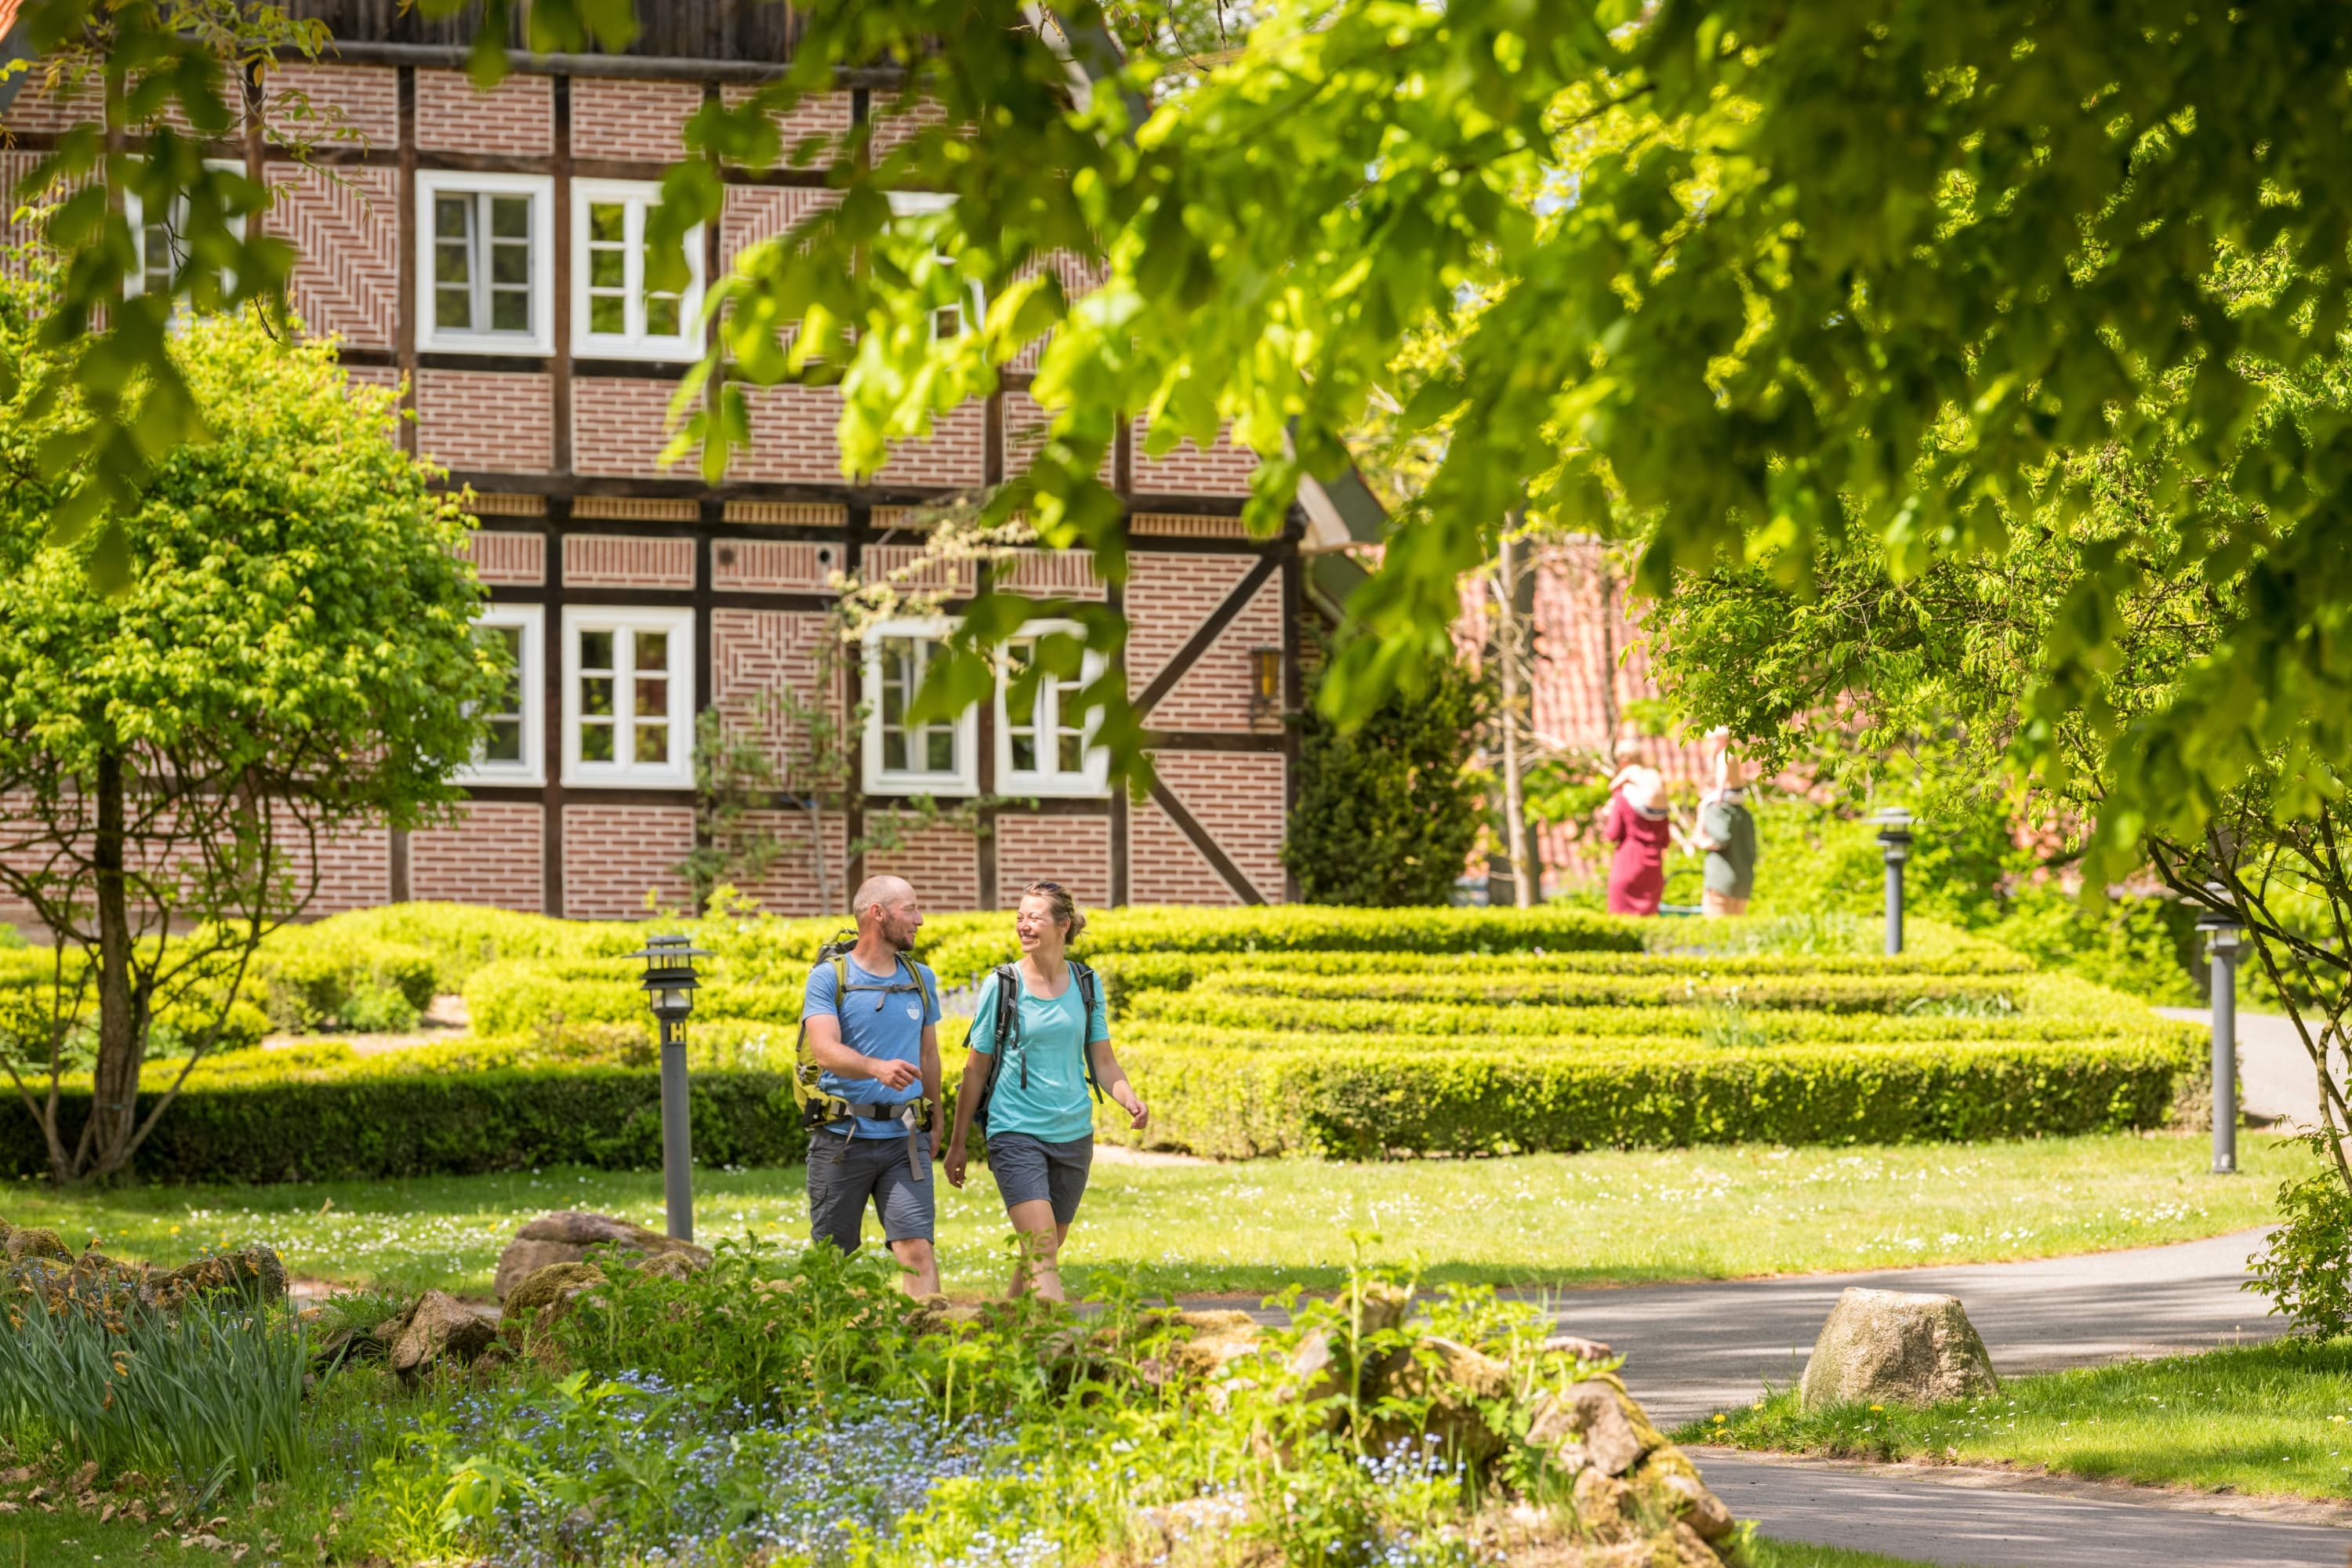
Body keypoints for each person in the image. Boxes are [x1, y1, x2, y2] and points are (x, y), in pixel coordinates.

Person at [944, 881, 1148, 1302]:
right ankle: (1058, 1350)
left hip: (1073, 1134)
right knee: (1041, 1254)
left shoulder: (1086, 984)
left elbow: (1104, 1062)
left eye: (1034, 917)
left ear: (1063, 925)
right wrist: (958, 1143)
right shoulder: (1002, 985)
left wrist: (1128, 1097)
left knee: (1045, 1251)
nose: (1024, 925)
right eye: (1020, 916)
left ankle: (1005, 1333)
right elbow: (975, 1069)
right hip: (1015, 1131)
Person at [798, 875, 945, 1295]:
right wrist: (876, 1068)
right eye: (909, 909)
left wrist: (935, 1114)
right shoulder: (828, 978)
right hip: (841, 1140)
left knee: (917, 1249)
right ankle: (829, 1350)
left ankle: (928, 1348)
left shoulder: (921, 978)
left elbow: (929, 1054)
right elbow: (825, 1051)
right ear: (877, 914)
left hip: (905, 1140)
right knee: (832, 1258)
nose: (919, 919)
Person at [1604, 739, 1674, 916]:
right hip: (1653, 869)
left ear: (1622, 761)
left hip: (1627, 863)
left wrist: (1606, 815)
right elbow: (1666, 839)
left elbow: (1612, 834)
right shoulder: (1659, 801)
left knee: (1621, 929)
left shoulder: (1623, 798)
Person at [1694, 746, 1760, 918]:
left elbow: (1721, 838)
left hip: (1721, 883)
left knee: (1716, 937)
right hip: (1743, 884)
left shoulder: (1716, 810)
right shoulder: (1744, 813)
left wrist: (1700, 840)